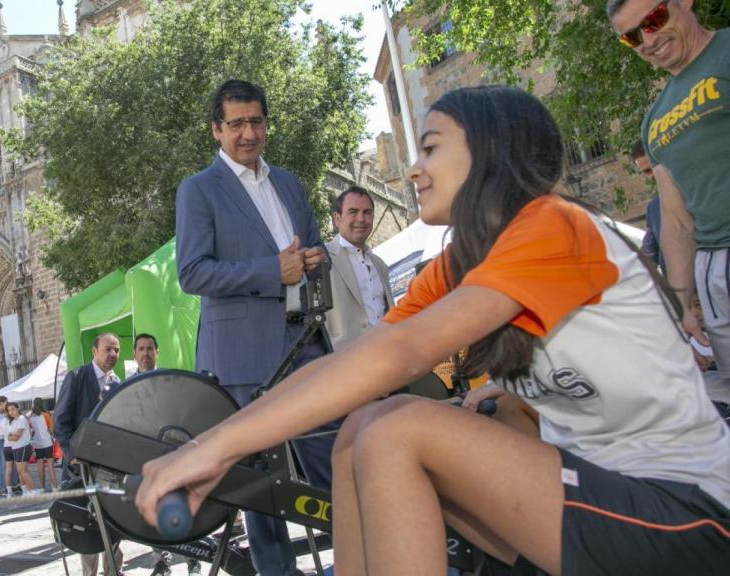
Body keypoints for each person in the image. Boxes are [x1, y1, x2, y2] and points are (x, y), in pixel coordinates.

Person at [136, 85, 730, 575]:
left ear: (490, 153)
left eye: (430, 148)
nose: (413, 169)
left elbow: (403, 352)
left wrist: (217, 447)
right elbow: (358, 359)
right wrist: (207, 445)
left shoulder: (552, 226)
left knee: (399, 431)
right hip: (594, 492)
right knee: (364, 425)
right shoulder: (461, 261)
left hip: (685, 509)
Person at [175, 79, 329, 575]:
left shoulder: (287, 181)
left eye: (256, 121)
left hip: (306, 342)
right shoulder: (198, 190)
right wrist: (272, 270)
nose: (248, 132)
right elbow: (192, 272)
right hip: (241, 358)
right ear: (216, 130)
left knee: (336, 460)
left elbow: (316, 244)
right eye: (236, 123)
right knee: (262, 492)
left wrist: (314, 257)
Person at [609, 0, 730, 411]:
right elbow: (676, 221)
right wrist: (680, 302)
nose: (648, 39)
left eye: (654, 19)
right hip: (713, 272)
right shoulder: (654, 120)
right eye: (631, 37)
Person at [131, 333, 202, 576]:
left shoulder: (170, 380)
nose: (146, 353)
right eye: (141, 349)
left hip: (174, 455)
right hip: (145, 458)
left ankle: (194, 560)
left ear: (157, 352)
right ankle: (161, 562)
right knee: (152, 508)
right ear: (135, 354)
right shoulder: (127, 388)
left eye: (150, 348)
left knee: (187, 503)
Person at [54, 332, 124, 575]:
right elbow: (60, 422)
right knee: (88, 526)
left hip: (109, 469)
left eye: (116, 350)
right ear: (94, 351)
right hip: (80, 468)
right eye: (108, 349)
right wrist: (71, 455)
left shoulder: (118, 384)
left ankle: (113, 571)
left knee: (114, 525)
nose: (113, 354)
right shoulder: (77, 377)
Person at [324, 186, 393, 351]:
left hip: (387, 357)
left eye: (367, 212)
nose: (361, 219)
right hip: (344, 364)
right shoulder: (322, 259)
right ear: (337, 218)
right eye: (353, 212)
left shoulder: (380, 265)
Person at [632, 140, 663, 270]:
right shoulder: (654, 208)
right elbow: (648, 257)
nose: (652, 176)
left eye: (653, 167)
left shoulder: (699, 193)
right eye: (646, 172)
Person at [3, 401, 37, 497]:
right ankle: (25, 491)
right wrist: (11, 437)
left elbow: (16, 436)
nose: (11, 412)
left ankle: (32, 491)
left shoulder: (21, 419)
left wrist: (11, 437)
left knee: (23, 471)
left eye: (13, 409)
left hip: (23, 447)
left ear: (17, 408)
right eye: (9, 410)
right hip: (16, 447)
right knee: (20, 471)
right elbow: (9, 436)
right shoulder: (13, 421)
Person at [30, 397, 58, 493]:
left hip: (37, 443)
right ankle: (54, 487)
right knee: (50, 465)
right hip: (47, 442)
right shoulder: (46, 415)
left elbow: (31, 431)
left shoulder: (31, 416)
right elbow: (51, 430)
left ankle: (42, 488)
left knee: (40, 466)